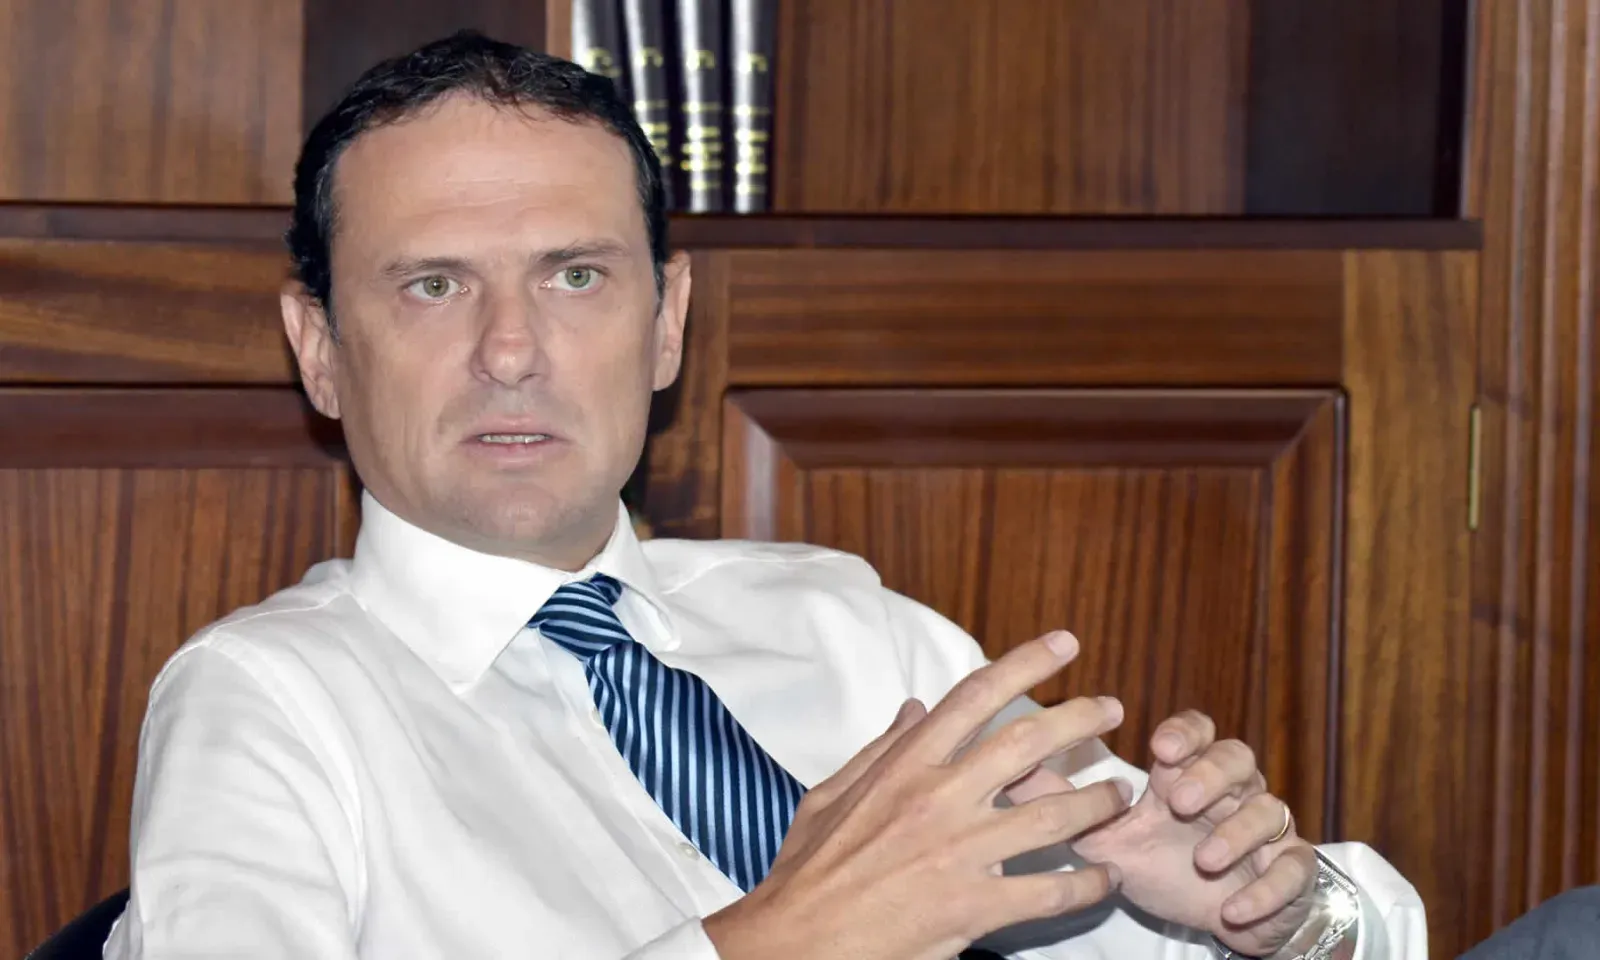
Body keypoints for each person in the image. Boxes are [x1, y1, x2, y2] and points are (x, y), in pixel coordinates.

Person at [102, 32, 1425, 960]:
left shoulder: (847, 628)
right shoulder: (267, 705)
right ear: (320, 348)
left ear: (667, 323)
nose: (512, 349)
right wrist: (783, 941)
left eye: (576, 277)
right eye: (434, 285)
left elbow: (1325, 926)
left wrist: (1278, 915)